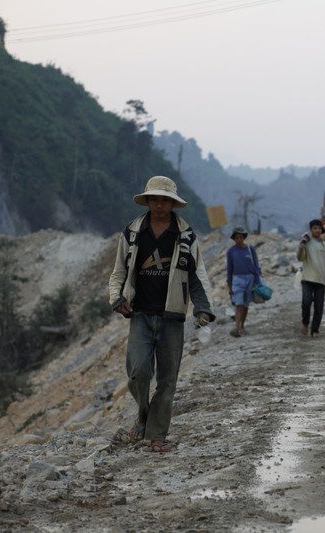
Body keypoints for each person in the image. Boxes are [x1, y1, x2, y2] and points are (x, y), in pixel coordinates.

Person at [108, 176, 215, 452]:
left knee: (167, 380)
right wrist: (116, 298)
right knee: (138, 371)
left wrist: (203, 307)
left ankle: (157, 436)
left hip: (172, 318)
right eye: (154, 199)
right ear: (147, 201)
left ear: (173, 204)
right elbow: (119, 270)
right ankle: (143, 414)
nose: (159, 204)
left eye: (164, 200)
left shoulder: (187, 236)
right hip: (141, 314)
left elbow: (197, 275)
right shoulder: (133, 232)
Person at [297, 219, 325, 336]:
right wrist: (301, 245)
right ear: (311, 230)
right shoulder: (306, 242)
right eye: (314, 228)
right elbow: (299, 258)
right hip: (307, 279)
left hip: (321, 281)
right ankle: (305, 322)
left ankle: (315, 329)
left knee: (319, 306)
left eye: (319, 228)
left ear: (321, 229)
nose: (317, 230)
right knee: (306, 302)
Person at [226, 226, 261, 337]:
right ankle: (236, 328)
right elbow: (229, 269)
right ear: (234, 239)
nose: (239, 239)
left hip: (250, 279)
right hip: (237, 279)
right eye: (236, 238)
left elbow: (256, 266)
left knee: (246, 305)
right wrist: (230, 285)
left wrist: (257, 281)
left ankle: (242, 326)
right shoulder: (231, 252)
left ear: (243, 237)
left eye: (240, 237)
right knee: (239, 304)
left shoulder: (250, 249)